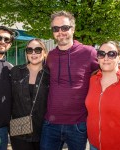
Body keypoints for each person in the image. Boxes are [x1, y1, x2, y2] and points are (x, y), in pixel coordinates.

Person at [40, 10, 99, 150]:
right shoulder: (50, 56)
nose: (60, 32)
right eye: (56, 28)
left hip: (78, 125)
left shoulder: (89, 52)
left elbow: (106, 70)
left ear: (73, 29)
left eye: (65, 28)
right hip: (50, 124)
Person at [10, 38, 50, 150]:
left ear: (44, 53)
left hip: (44, 130)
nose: (33, 53)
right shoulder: (15, 71)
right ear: (26, 53)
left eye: (38, 49)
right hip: (18, 129)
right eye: (29, 50)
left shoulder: (50, 74)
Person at [86, 41, 120, 150]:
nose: (106, 58)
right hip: (93, 145)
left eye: (111, 54)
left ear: (119, 58)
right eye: (101, 54)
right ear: (97, 58)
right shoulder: (92, 80)